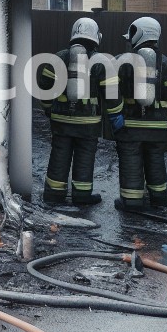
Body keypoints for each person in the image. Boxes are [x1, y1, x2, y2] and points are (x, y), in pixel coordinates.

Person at [108, 16, 167, 212]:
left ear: (139, 33)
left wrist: (115, 116)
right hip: (158, 128)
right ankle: (159, 199)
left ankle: (131, 202)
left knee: (131, 161)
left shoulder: (124, 61)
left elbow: (110, 89)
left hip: (131, 126)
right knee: (155, 160)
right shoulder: (166, 63)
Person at [36, 17, 106, 206]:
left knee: (60, 154)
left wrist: (49, 109)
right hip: (88, 124)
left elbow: (45, 86)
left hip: (61, 120)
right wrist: (114, 114)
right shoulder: (99, 61)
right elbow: (109, 91)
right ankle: (82, 196)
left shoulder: (59, 57)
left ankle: (53, 195)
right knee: (85, 157)